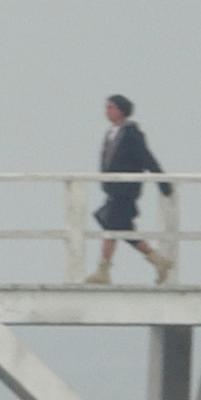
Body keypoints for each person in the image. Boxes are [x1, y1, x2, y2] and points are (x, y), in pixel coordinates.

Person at [85, 94, 174, 284]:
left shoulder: (132, 133)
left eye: (111, 107)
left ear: (121, 110)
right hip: (113, 190)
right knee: (118, 227)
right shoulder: (111, 133)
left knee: (111, 226)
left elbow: (147, 158)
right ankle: (158, 260)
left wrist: (162, 182)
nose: (107, 111)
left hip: (126, 190)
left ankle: (103, 271)